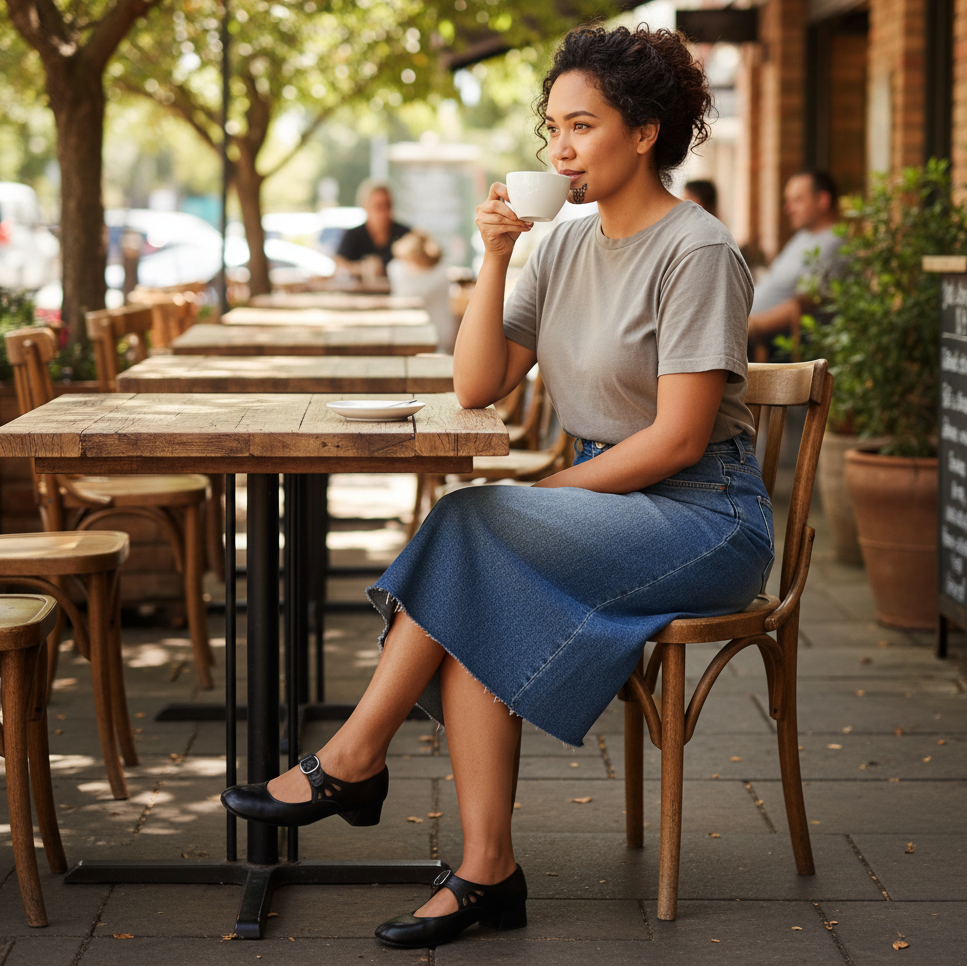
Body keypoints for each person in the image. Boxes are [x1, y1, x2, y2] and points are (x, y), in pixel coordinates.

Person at [221, 24, 774, 948]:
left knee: (474, 523)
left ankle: (356, 757)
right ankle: (485, 870)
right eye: (549, 128)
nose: (558, 148)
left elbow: (678, 439)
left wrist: (556, 489)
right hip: (612, 499)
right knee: (479, 566)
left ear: (644, 133)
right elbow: (477, 386)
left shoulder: (696, 251)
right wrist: (497, 255)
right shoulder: (558, 246)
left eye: (581, 125)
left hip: (704, 517)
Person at [747, 170, 842, 354]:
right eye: (788, 200)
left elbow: (804, 304)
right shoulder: (802, 236)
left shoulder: (834, 243)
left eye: (797, 200)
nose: (788, 208)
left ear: (823, 200)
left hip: (768, 342)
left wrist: (752, 326)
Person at [387, 230, 457, 353]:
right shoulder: (442, 271)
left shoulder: (397, 269)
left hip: (434, 334)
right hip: (434, 331)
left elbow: (410, 298)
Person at [335, 180, 411, 276]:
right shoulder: (354, 235)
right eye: (378, 206)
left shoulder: (405, 235)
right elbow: (339, 264)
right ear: (365, 206)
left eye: (388, 205)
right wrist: (362, 269)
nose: (384, 212)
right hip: (361, 290)